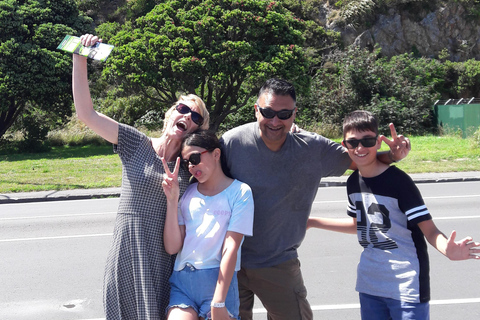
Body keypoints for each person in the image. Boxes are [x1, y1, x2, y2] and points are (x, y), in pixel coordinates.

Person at [219, 78, 411, 320]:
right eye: (268, 112)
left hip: (277, 262)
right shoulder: (231, 143)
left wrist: (393, 156)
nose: (275, 121)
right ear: (256, 109)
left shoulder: (311, 148)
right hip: (228, 260)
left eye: (284, 114)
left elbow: (360, 160)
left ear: (294, 113)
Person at [72, 34, 210, 320]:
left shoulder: (191, 166)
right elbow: (86, 114)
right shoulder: (136, 143)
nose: (187, 116)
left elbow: (228, 156)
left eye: (195, 117)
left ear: (197, 129)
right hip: (126, 255)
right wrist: (79, 57)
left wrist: (286, 130)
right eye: (183, 109)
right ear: (171, 113)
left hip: (164, 262)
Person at [307, 110, 480, 320]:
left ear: (378, 143)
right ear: (344, 145)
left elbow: (430, 230)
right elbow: (359, 225)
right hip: (370, 284)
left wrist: (448, 250)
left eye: (367, 141)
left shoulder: (399, 182)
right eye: (353, 143)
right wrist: (313, 222)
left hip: (407, 286)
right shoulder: (353, 182)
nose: (360, 148)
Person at [161, 130, 254, 320]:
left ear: (216, 154)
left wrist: (218, 301)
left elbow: (231, 247)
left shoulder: (240, 192)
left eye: (195, 158)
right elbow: (172, 247)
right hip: (183, 281)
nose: (191, 166)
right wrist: (172, 200)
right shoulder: (188, 192)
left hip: (218, 282)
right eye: (186, 162)